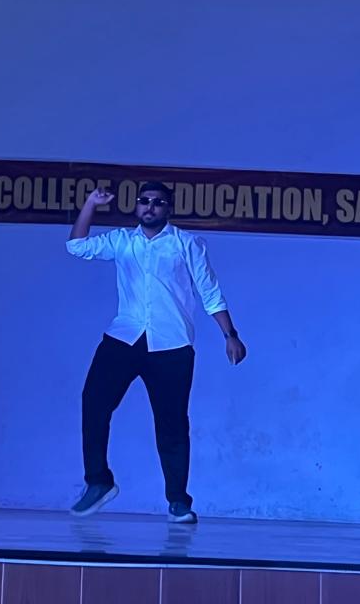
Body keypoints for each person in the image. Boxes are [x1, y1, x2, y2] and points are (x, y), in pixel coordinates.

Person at [65, 182, 247, 523]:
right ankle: (98, 481)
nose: (150, 207)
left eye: (158, 202)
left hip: (171, 343)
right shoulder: (121, 241)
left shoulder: (186, 244)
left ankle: (178, 501)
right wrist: (90, 204)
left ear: (168, 208)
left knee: (172, 424)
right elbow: (76, 246)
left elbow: (210, 292)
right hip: (125, 336)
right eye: (144, 201)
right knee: (94, 402)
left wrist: (230, 335)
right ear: (137, 206)